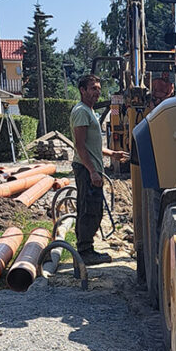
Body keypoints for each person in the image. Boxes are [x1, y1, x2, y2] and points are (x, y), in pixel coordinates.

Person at [72, 74, 130, 265]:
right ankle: (85, 251)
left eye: (98, 88)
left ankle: (85, 248)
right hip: (86, 169)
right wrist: (92, 171)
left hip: (90, 167)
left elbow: (92, 145)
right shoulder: (81, 111)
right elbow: (80, 145)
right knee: (90, 210)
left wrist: (112, 153)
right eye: (93, 88)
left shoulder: (89, 111)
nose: (97, 92)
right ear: (82, 90)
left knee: (92, 209)